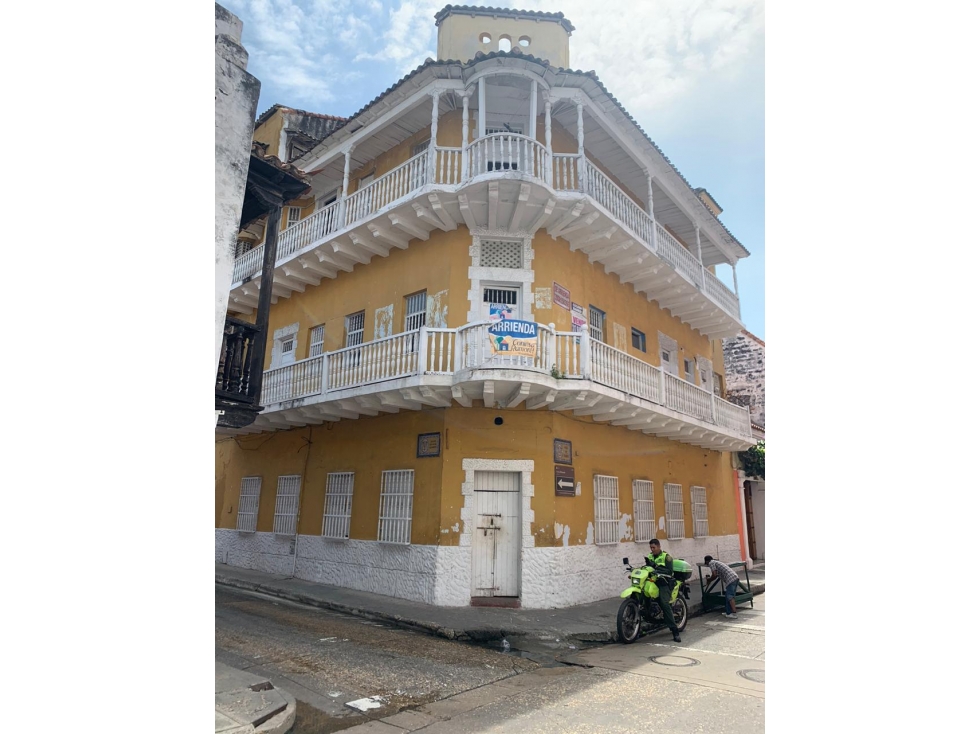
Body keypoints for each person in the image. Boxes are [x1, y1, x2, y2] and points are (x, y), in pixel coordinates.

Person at [645, 538, 681, 642]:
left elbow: (669, 571)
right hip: (653, 581)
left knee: (664, 603)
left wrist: (655, 566)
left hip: (664, 582)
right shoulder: (650, 556)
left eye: (654, 547)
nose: (652, 550)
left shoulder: (666, 557)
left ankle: (675, 631)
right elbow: (648, 568)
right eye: (651, 547)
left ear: (659, 547)